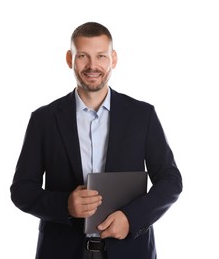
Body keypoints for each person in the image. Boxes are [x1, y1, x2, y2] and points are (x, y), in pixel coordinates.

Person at [10, 22, 182, 259]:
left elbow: (170, 181)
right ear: (70, 59)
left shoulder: (143, 115)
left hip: (130, 250)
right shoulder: (44, 120)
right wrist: (65, 206)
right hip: (61, 251)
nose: (92, 66)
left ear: (113, 59)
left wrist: (131, 218)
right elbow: (21, 190)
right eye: (83, 56)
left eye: (101, 56)